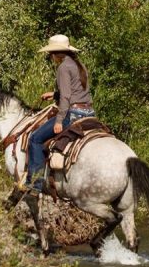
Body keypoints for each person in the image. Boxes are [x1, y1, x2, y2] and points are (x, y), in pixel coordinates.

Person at [25, 34, 96, 191]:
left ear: (56, 53)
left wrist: (59, 120)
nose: (50, 56)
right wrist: (54, 94)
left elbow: (66, 97)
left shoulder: (63, 67)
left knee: (35, 139)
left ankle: (35, 185)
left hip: (72, 114)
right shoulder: (79, 65)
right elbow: (77, 91)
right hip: (89, 112)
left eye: (50, 53)